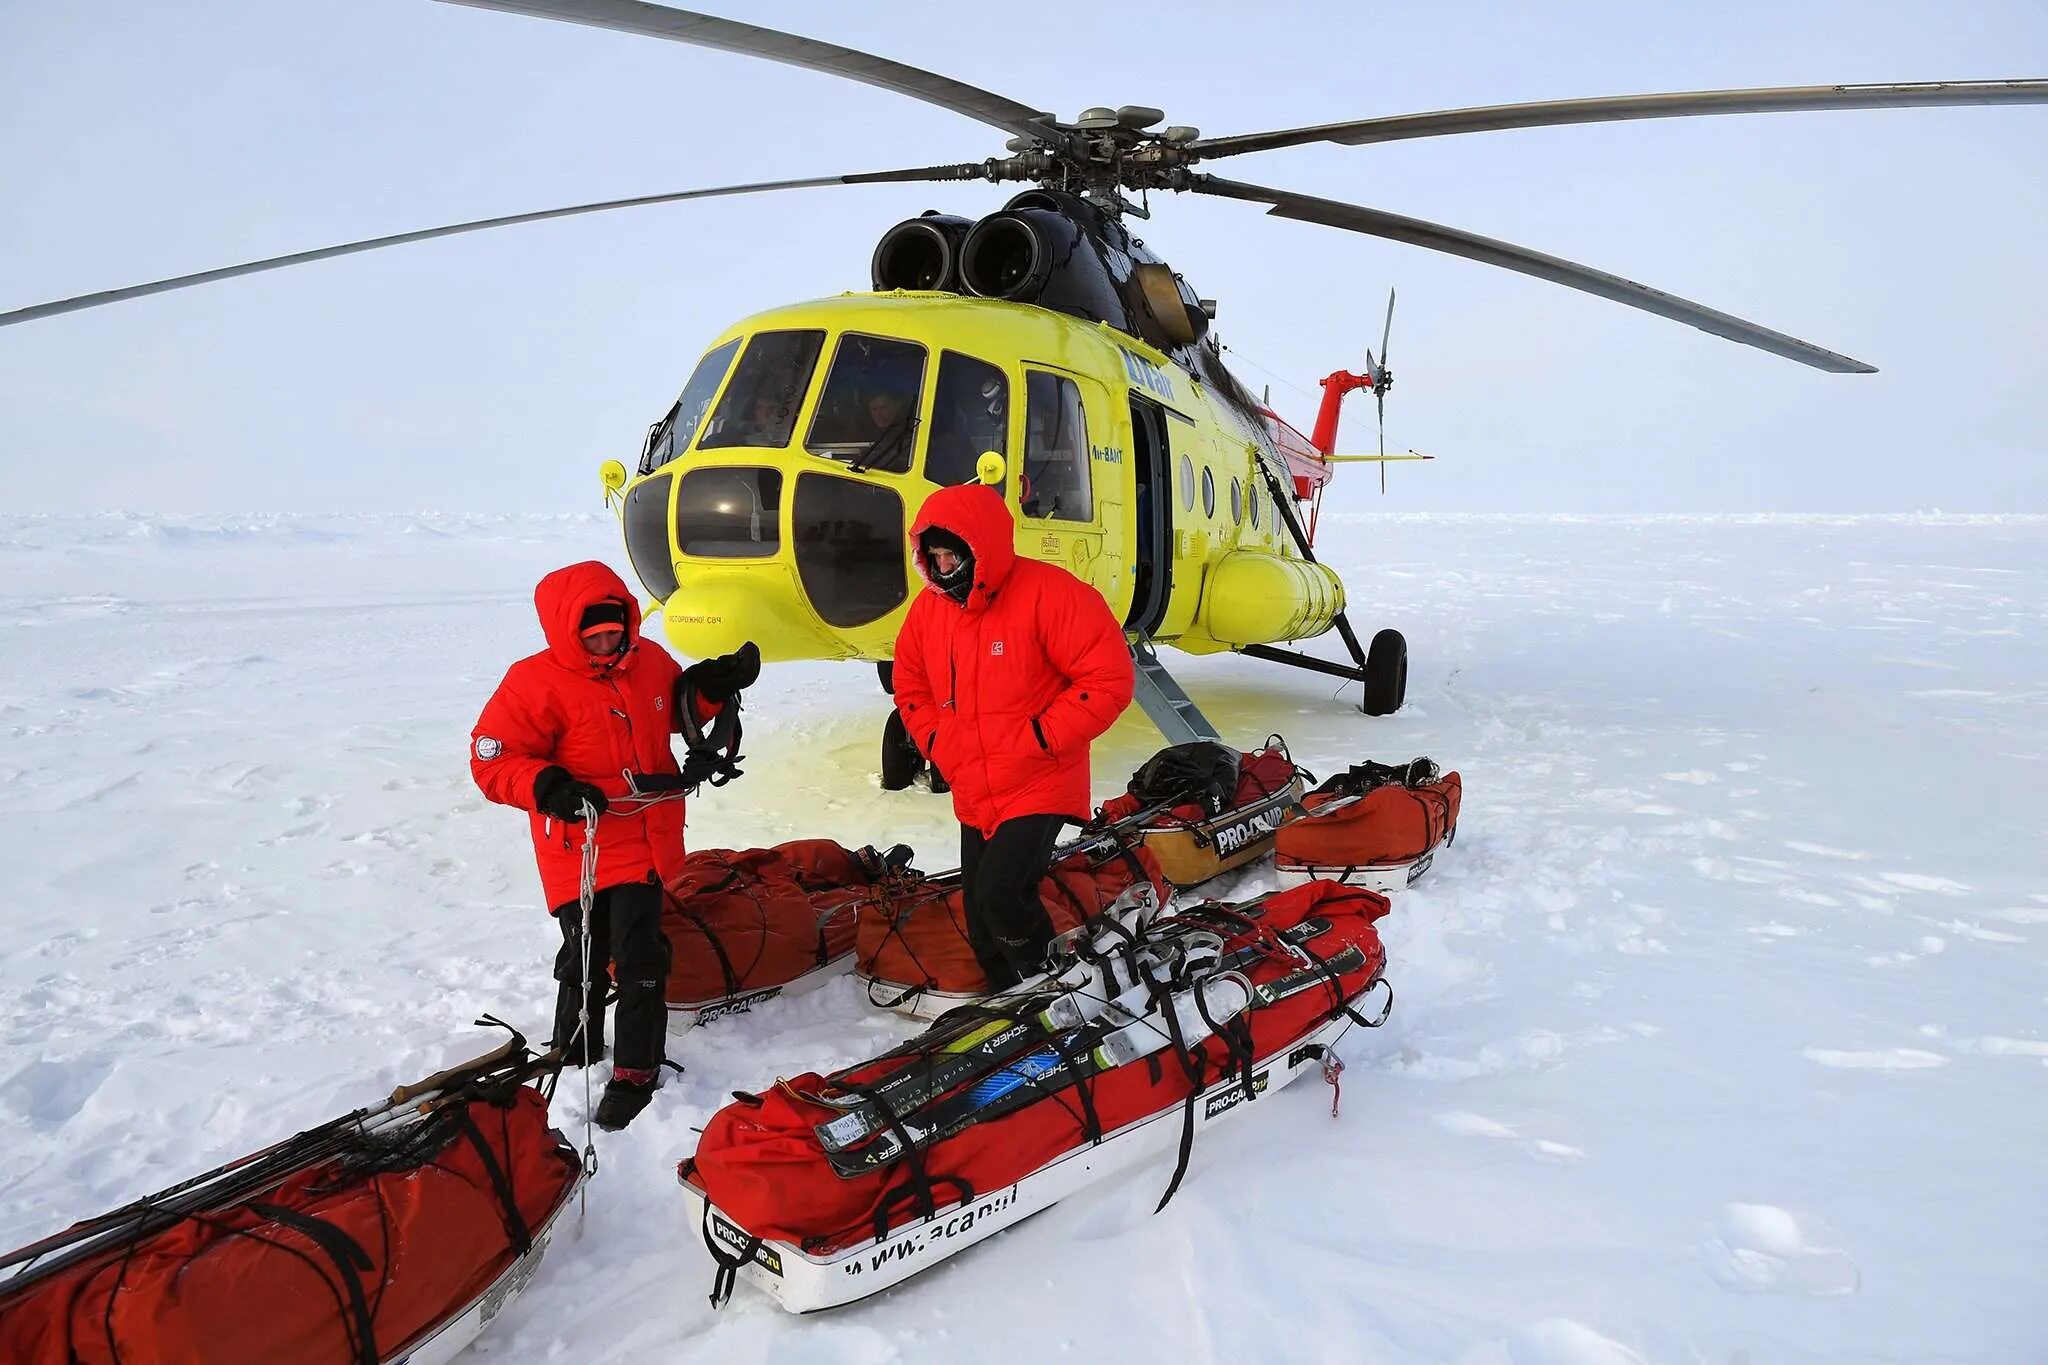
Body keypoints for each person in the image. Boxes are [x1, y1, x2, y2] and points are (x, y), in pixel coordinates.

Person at [470, 561, 759, 1130]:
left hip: (645, 839)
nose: (608, 644)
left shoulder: (648, 662)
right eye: (594, 637)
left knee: (639, 955)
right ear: (568, 632)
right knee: (584, 951)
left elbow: (675, 711)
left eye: (615, 632)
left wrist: (711, 688)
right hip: (578, 846)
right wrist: (547, 785)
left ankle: (635, 1071)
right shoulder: (532, 682)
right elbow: (492, 760)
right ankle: (574, 1044)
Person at [892, 484, 1135, 987]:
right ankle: (1009, 1001)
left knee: (1002, 895)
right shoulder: (929, 611)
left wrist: (1041, 737)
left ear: (980, 548)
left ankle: (1050, 985)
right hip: (973, 782)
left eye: (952, 555)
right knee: (980, 914)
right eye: (934, 558)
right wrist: (937, 741)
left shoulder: (1052, 594)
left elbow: (1108, 679)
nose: (943, 568)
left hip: (1039, 778)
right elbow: (910, 683)